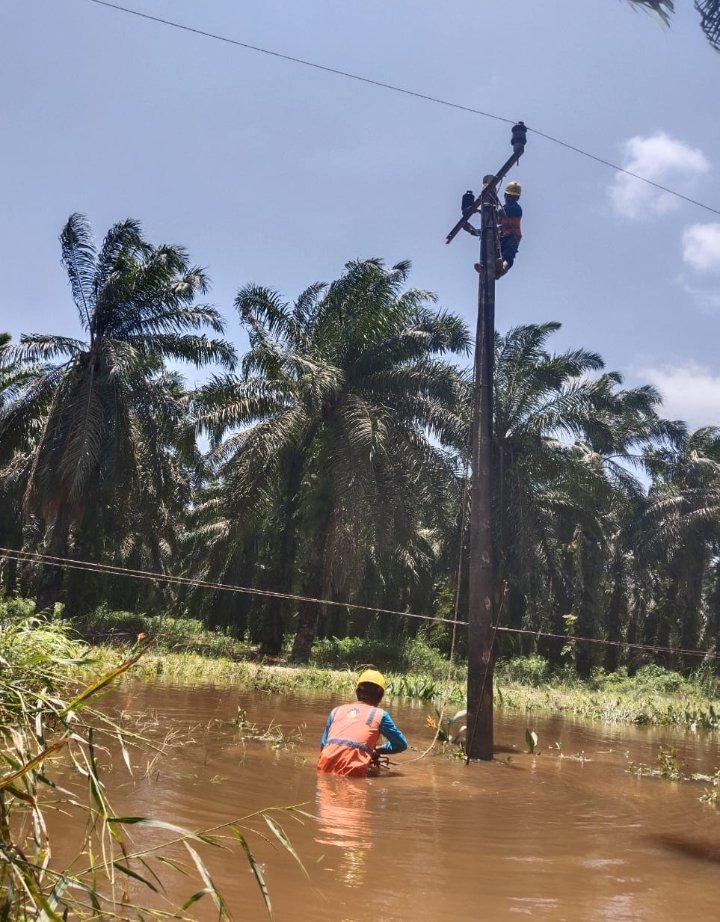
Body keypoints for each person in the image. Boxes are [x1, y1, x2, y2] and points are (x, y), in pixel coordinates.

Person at [317, 669, 408, 777]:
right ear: (380, 696)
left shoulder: (336, 711)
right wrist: (377, 750)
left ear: (357, 692)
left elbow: (324, 746)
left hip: (323, 767)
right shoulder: (380, 715)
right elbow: (401, 745)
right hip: (352, 773)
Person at [497, 180, 523, 276]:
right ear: (505, 195)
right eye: (509, 196)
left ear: (517, 198)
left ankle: (503, 268)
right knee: (493, 254)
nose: (510, 199)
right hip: (501, 238)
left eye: (513, 197)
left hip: (512, 237)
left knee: (508, 255)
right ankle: (491, 269)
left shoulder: (516, 208)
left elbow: (504, 212)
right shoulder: (502, 208)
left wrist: (489, 209)